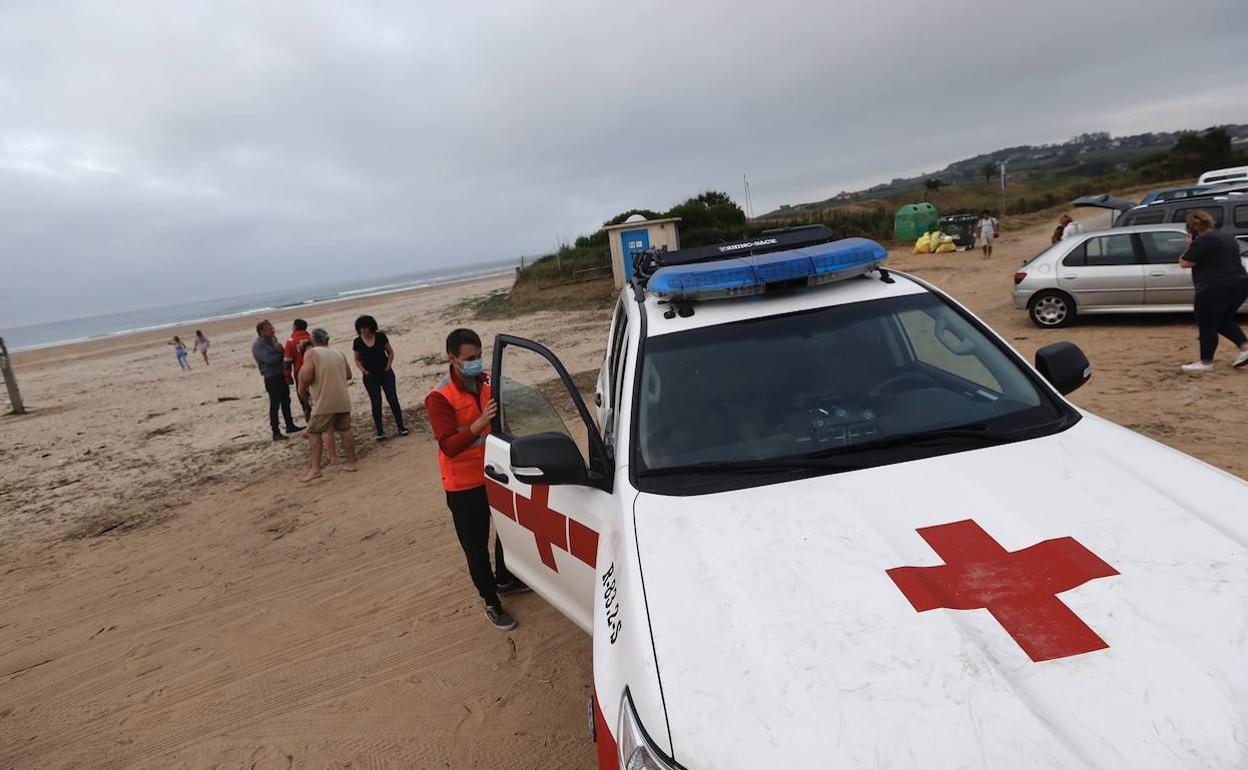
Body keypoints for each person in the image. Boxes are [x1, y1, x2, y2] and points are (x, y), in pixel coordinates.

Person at [424, 328, 527, 631]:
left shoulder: (485, 379)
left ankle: (506, 578)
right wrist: (478, 424)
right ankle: (491, 601)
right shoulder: (438, 397)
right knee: (476, 548)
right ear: (452, 359)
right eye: (469, 358)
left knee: (507, 529)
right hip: (464, 485)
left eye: (479, 356)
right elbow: (449, 445)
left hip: (496, 474)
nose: (476, 363)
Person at [1177, 210, 1248, 373]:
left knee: (1207, 324)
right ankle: (1245, 348)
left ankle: (1206, 362)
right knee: (1223, 320)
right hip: (1240, 283)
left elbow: (1186, 262)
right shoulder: (1227, 236)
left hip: (1213, 287)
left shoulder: (1202, 240)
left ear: (1192, 228)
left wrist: (1189, 246)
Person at [297, 327, 358, 480]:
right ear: (327, 340)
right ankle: (351, 463)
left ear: (313, 340)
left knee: (313, 432)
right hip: (342, 398)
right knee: (345, 430)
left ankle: (316, 469)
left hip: (324, 400)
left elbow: (307, 375)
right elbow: (348, 375)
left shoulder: (311, 353)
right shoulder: (339, 353)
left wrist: (302, 388)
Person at [352, 314, 409, 441]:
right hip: (370, 376)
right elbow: (356, 359)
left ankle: (401, 426)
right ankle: (380, 431)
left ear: (370, 327)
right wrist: (364, 371)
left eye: (365, 327)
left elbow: (390, 352)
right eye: (360, 328)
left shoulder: (380, 336)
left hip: (386, 373)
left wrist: (388, 366)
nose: (363, 330)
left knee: (393, 399)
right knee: (376, 403)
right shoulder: (357, 341)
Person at [251, 320, 304, 441]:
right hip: (271, 377)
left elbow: (283, 352)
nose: (272, 330)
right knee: (275, 404)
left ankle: (290, 425)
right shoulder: (258, 345)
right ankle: (275, 431)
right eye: (269, 329)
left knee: (286, 400)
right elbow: (269, 359)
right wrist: (281, 352)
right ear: (261, 332)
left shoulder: (272, 340)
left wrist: (282, 352)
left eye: (272, 328)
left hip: (280, 374)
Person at [283, 319, 314, 420]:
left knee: (302, 391)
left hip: (300, 370)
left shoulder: (291, 341)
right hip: (315, 368)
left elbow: (287, 361)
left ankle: (306, 408)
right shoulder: (312, 338)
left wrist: (287, 375)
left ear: (295, 327)